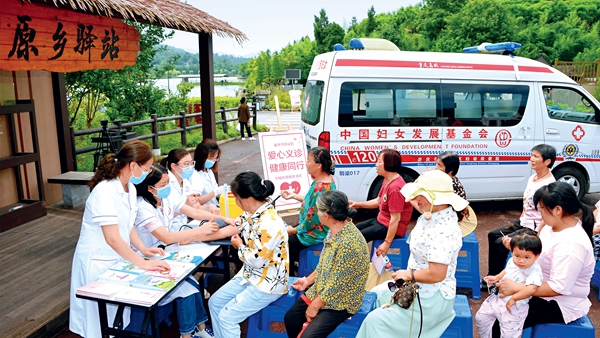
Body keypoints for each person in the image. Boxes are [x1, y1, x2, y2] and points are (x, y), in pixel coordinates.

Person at [69, 140, 170, 338]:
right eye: (147, 169)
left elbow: (128, 223)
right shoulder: (104, 191)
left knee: (115, 320)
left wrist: (143, 248)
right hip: (96, 262)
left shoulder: (129, 188)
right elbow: (113, 239)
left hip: (115, 259)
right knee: (97, 325)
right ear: (133, 165)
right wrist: (143, 263)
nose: (148, 173)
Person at [356, 169, 468, 338]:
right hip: (416, 286)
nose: (413, 200)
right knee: (376, 295)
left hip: (430, 298)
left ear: (433, 198)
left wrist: (408, 274)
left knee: (375, 321)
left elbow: (437, 274)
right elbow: (412, 199)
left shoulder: (443, 230)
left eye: (418, 195)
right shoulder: (432, 213)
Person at [134, 163, 227, 338]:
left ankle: (198, 330)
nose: (167, 187)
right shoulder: (142, 207)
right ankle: (189, 333)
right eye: (163, 185)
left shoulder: (165, 198)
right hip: (147, 257)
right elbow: (166, 237)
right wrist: (200, 231)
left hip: (165, 252)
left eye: (168, 182)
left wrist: (221, 217)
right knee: (188, 286)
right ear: (150, 188)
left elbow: (194, 212)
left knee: (190, 283)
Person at [495, 182, 595, 337]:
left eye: (541, 207)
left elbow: (557, 288)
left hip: (560, 303)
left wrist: (516, 288)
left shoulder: (572, 244)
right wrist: (519, 251)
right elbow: (540, 253)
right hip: (539, 286)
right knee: (495, 305)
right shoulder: (553, 226)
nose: (539, 211)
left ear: (558, 210)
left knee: (502, 319)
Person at [208, 172, 289, 338]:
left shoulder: (269, 222)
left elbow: (256, 260)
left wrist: (239, 246)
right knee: (214, 303)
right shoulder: (252, 213)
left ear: (247, 198)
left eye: (237, 198)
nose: (236, 202)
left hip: (268, 283)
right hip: (251, 276)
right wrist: (195, 235)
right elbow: (232, 227)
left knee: (227, 317)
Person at [284, 190, 369, 338]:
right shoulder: (334, 229)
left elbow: (338, 285)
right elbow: (325, 263)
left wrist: (315, 306)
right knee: (291, 319)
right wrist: (307, 280)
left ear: (326, 215)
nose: (317, 212)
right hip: (325, 287)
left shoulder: (349, 243)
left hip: (343, 299)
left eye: (318, 209)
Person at [486, 144, 556, 279]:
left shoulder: (549, 185)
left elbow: (546, 213)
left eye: (536, 156)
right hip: (524, 221)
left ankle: (497, 278)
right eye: (532, 155)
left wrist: (538, 235)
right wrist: (520, 219)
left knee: (500, 242)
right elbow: (526, 203)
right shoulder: (533, 178)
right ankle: (493, 275)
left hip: (534, 227)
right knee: (492, 234)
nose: (532, 159)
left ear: (547, 161)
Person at [476, 229, 543, 338]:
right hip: (498, 299)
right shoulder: (512, 260)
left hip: (515, 307)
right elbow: (507, 270)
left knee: (509, 334)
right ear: (512, 252)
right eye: (517, 256)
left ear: (536, 256)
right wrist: (496, 277)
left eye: (527, 257)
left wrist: (514, 298)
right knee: (481, 318)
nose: (521, 260)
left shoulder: (535, 270)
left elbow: (531, 289)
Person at [349, 149, 413, 256]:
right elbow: (379, 201)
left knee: (356, 238)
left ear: (389, 164)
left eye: (379, 161)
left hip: (391, 227)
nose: (376, 165)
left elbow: (395, 219)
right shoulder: (387, 180)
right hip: (382, 221)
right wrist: (358, 204)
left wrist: (387, 243)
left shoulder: (395, 188)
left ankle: (355, 264)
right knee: (351, 230)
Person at [281, 146, 336, 270]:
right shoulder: (323, 181)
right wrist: (294, 196)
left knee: (285, 244)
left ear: (318, 165)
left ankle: (288, 278)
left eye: (308, 160)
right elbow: (313, 204)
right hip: (311, 226)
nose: (306, 163)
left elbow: (312, 220)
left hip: (316, 232)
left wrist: (293, 230)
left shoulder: (321, 188)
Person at [160, 149, 234, 230]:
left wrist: (209, 207)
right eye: (186, 164)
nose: (190, 167)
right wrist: (187, 204)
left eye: (191, 163)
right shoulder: (166, 185)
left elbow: (196, 207)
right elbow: (167, 214)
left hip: (183, 225)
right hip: (170, 228)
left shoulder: (186, 182)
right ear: (174, 166)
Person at [192, 139, 227, 207]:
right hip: (203, 212)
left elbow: (215, 192)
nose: (213, 161)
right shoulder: (194, 174)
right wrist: (216, 191)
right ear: (201, 157)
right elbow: (195, 202)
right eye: (211, 158)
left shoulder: (208, 171)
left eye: (215, 158)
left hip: (214, 207)